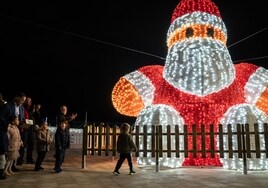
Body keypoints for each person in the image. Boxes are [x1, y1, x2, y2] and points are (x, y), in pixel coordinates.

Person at [0, 92, 26, 176]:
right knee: (5, 152)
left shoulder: (22, 108)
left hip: (17, 131)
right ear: (17, 98)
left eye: (24, 100)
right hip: (5, 131)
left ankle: (11, 168)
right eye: (22, 100)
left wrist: (24, 124)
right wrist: (8, 124)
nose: (23, 102)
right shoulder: (7, 106)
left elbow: (21, 120)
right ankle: (3, 170)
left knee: (14, 153)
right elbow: (1, 117)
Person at [18, 97, 35, 164]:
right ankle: (20, 159)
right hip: (25, 129)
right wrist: (32, 112)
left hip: (32, 130)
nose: (29, 102)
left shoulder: (32, 109)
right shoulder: (22, 108)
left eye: (30, 101)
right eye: (27, 100)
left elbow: (35, 119)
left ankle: (29, 159)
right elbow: (24, 118)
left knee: (31, 145)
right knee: (23, 145)